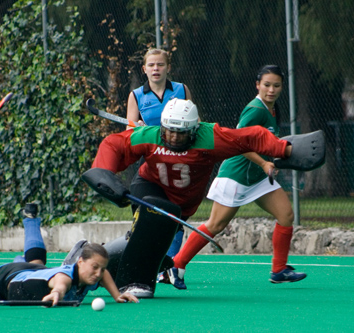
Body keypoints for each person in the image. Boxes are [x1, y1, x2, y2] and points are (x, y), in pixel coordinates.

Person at [83, 97, 320, 296]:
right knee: (153, 219)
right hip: (149, 187)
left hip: (184, 203)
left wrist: (284, 149)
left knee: (153, 239)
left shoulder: (210, 138)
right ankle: (135, 282)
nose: (174, 138)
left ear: (194, 129)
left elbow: (249, 137)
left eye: (181, 133)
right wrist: (105, 174)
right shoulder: (149, 136)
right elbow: (114, 145)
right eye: (169, 131)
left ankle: (96, 261)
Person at [171, 65, 306, 287]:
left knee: (286, 215)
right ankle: (177, 264)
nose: (271, 90)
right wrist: (263, 163)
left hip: (257, 177)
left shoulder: (272, 109)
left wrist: (272, 161)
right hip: (236, 175)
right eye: (267, 85)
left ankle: (279, 269)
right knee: (216, 224)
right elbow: (239, 143)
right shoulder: (255, 109)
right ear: (257, 85)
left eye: (276, 85)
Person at [0, 204, 139, 306]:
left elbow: (103, 272)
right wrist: (56, 294)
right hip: (4, 283)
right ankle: (19, 257)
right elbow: (60, 286)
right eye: (94, 267)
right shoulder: (65, 278)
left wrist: (117, 295)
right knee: (36, 263)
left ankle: (30, 220)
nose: (98, 273)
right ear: (79, 262)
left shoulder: (90, 275)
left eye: (100, 268)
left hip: (32, 272)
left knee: (37, 262)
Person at [126, 48, 192, 265]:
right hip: (152, 160)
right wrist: (139, 129)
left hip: (179, 159)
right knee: (141, 202)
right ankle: (138, 246)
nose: (156, 69)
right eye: (151, 65)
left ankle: (169, 263)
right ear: (144, 69)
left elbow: (194, 121)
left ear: (168, 68)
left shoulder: (182, 90)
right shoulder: (136, 96)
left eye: (160, 64)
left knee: (175, 214)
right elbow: (130, 132)